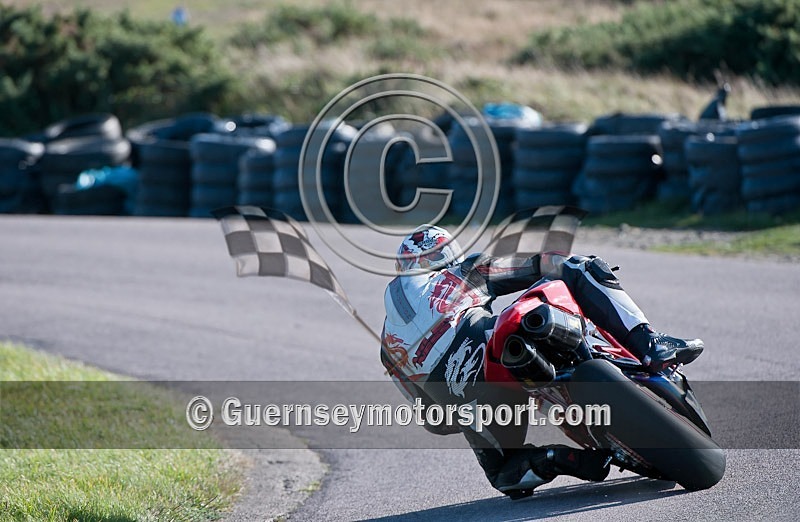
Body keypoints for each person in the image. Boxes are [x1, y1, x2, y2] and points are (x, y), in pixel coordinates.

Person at [380, 224, 704, 499]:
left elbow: (435, 421)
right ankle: (650, 344)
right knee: (578, 266)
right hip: (490, 343)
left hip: (467, 399)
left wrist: (466, 407)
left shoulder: (388, 346)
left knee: (503, 474)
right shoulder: (462, 271)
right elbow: (542, 264)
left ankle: (556, 458)